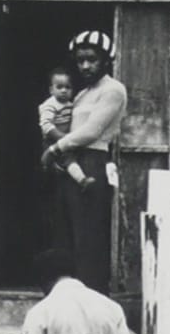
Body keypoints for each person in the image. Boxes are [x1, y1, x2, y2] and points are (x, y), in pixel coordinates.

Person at [40, 30, 127, 294]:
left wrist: (55, 148)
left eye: (92, 59)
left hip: (92, 162)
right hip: (72, 163)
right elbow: (67, 128)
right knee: (65, 235)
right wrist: (60, 156)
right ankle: (67, 298)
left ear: (106, 60)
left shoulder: (113, 90)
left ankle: (92, 298)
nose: (85, 66)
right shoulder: (80, 95)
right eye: (80, 60)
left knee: (88, 238)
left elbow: (91, 131)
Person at [37, 67, 91, 192]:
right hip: (52, 139)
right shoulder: (50, 105)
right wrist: (62, 137)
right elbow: (46, 125)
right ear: (51, 90)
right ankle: (82, 180)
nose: (64, 90)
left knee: (70, 159)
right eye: (59, 87)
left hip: (65, 138)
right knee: (66, 160)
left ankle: (79, 180)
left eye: (68, 87)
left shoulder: (71, 105)